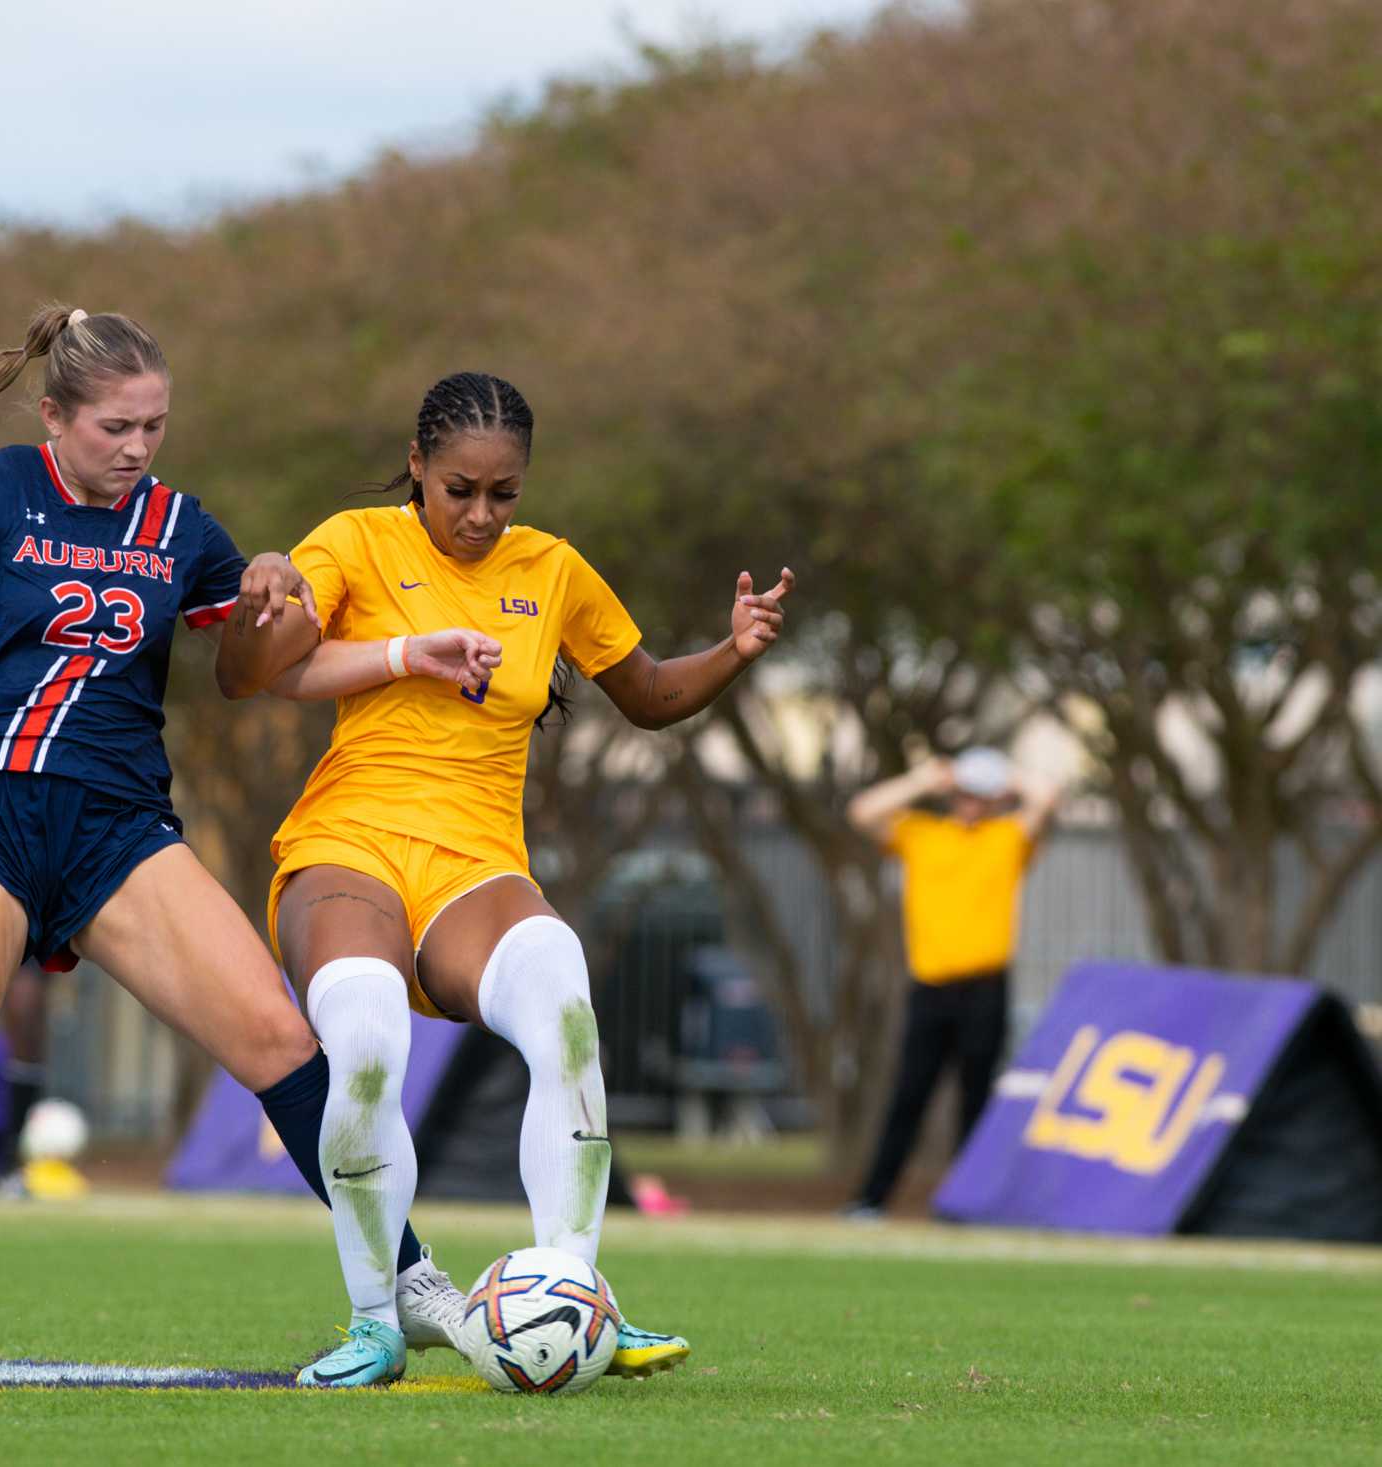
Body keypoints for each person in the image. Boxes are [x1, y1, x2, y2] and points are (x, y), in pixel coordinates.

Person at [0, 305, 501, 1376]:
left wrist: (399, 650)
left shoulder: (181, 527)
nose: (138, 448)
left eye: (154, 426)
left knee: (281, 1047)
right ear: (56, 416)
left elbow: (275, 665)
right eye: (116, 427)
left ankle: (412, 1280)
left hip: (118, 828)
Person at [216, 370, 796, 1387]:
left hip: (478, 863)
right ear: (415, 468)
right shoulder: (353, 541)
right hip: (347, 845)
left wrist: (734, 651)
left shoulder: (554, 570)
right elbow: (251, 671)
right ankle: (372, 1325)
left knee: (564, 999)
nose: (481, 514)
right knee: (361, 1043)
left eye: (503, 493)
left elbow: (651, 695)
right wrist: (266, 587)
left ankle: (571, 1305)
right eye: (458, 490)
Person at [842, 748, 1061, 1218]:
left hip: (985, 988)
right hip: (931, 988)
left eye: (980, 795)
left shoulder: (1007, 838)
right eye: (964, 793)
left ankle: (967, 1204)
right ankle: (872, 1200)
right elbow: (862, 811)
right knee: (909, 1095)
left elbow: (1047, 797)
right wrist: (925, 780)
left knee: (976, 1099)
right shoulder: (922, 835)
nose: (971, 803)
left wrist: (1007, 775)